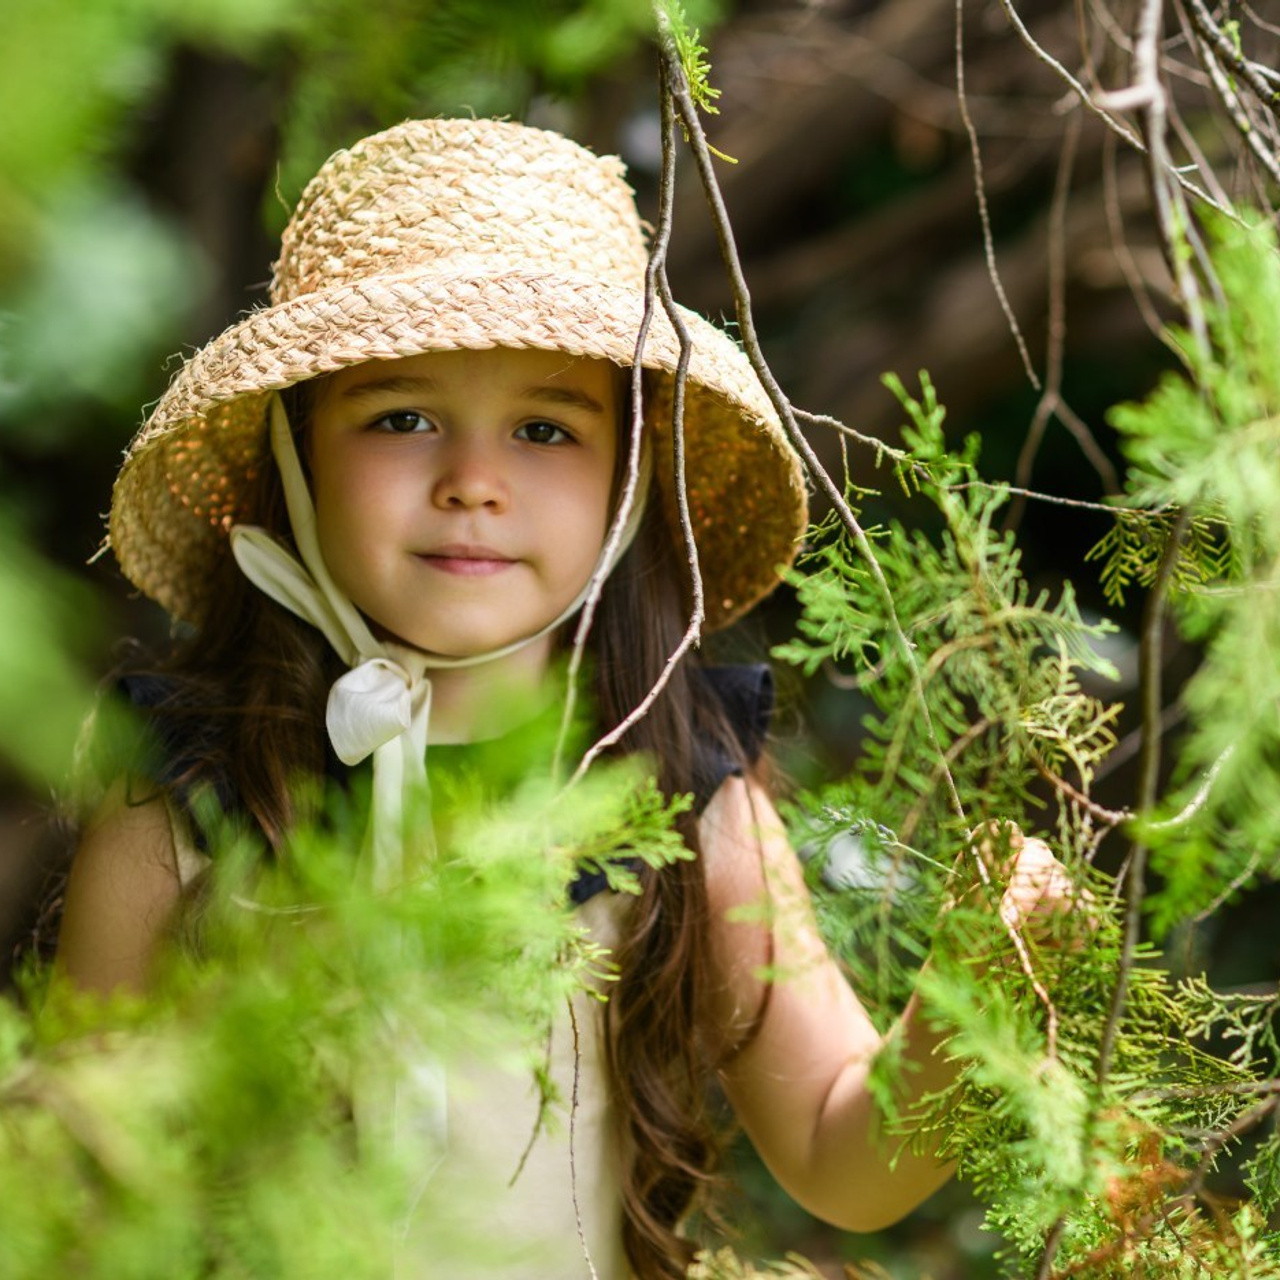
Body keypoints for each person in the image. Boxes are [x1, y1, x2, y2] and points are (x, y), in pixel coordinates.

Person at [57, 118, 1074, 1279]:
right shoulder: (185, 795)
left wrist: (966, 1012)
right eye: (400, 417)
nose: (472, 483)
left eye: (545, 429)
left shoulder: (678, 791)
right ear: (297, 459)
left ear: (626, 479)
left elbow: (838, 1157)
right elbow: (74, 1202)